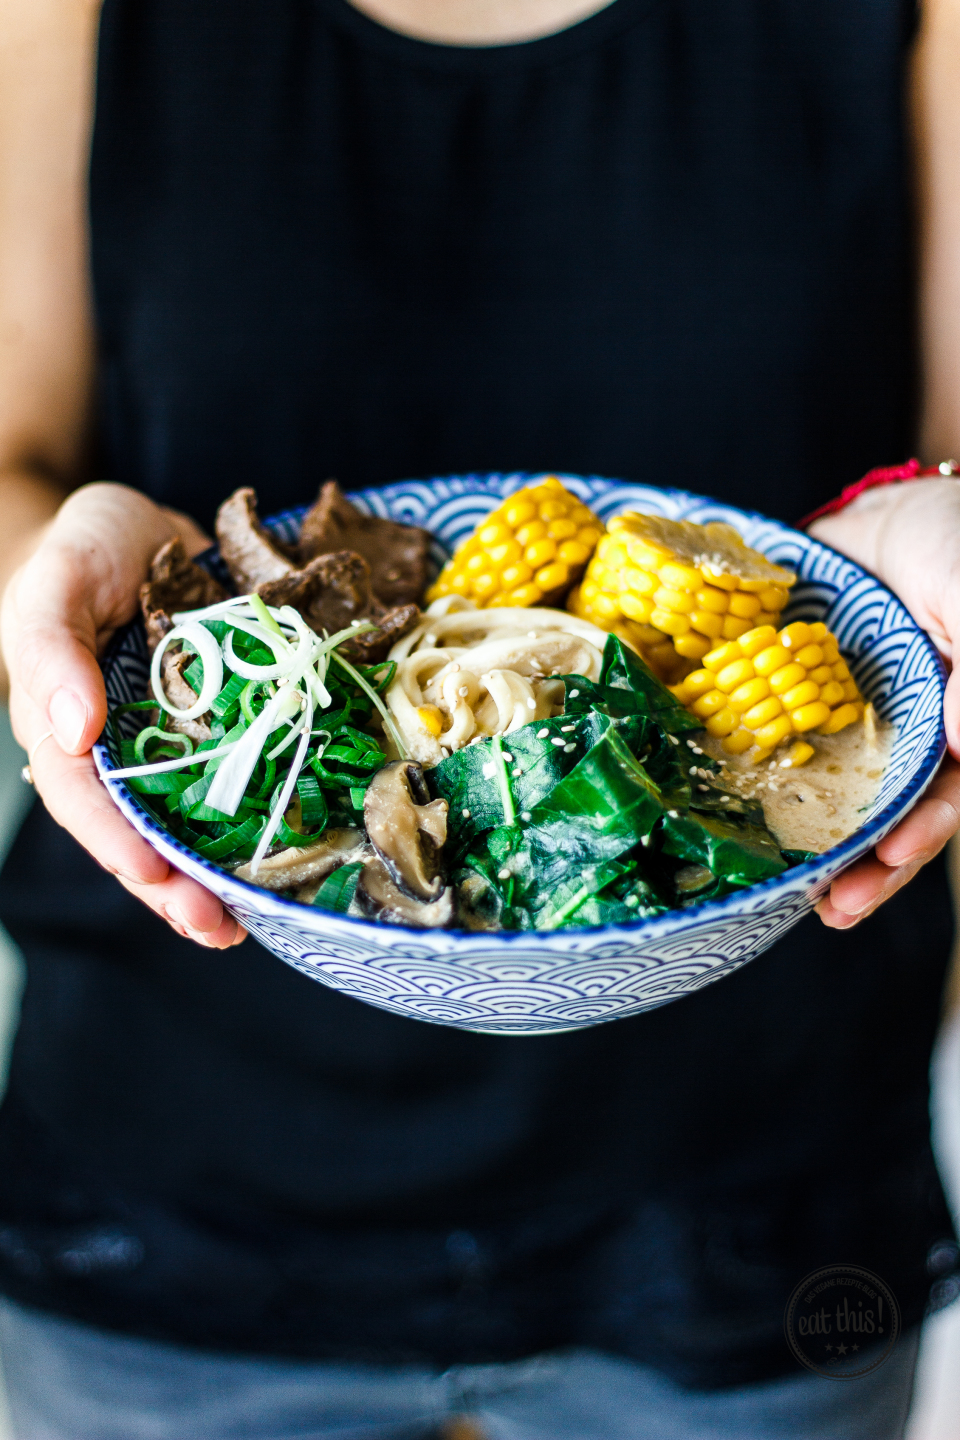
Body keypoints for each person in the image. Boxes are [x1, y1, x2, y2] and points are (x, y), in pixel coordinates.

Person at [0, 0, 957, 1435]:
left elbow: (947, 454)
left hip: (753, 1170)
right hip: (182, 1178)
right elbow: (13, 455)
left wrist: (926, 529)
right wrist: (67, 565)